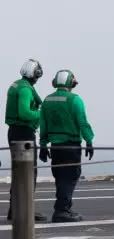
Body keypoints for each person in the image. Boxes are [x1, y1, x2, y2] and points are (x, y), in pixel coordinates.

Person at [39, 69, 95, 223]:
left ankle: (65, 207)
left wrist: (43, 145)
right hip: (71, 146)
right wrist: (89, 141)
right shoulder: (75, 100)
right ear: (71, 83)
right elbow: (82, 122)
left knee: (60, 178)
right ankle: (62, 210)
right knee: (69, 178)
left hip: (55, 147)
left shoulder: (47, 101)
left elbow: (43, 125)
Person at [5, 59, 47, 222]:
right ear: (35, 74)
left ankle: (15, 209)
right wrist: (42, 114)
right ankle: (23, 209)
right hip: (23, 133)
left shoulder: (17, 85)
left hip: (15, 132)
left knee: (20, 172)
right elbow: (24, 113)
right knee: (28, 172)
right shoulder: (25, 90)